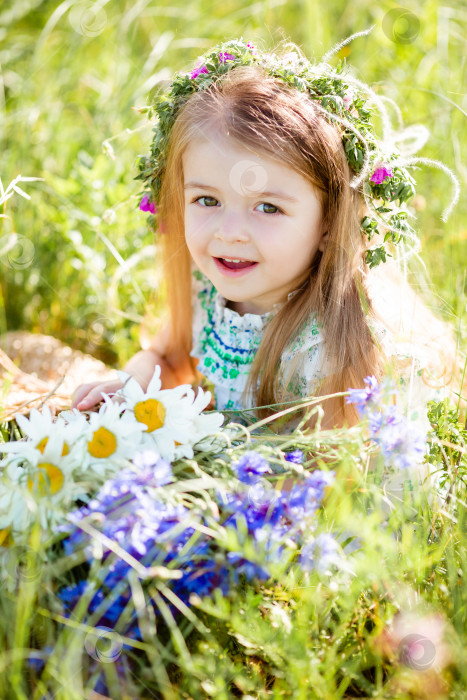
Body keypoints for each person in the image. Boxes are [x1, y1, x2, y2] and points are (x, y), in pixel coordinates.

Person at [72, 34, 464, 464]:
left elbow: (339, 476)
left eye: (268, 207)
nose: (231, 232)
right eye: (207, 200)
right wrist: (134, 385)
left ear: (330, 222)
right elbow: (165, 355)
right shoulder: (206, 293)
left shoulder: (335, 348)